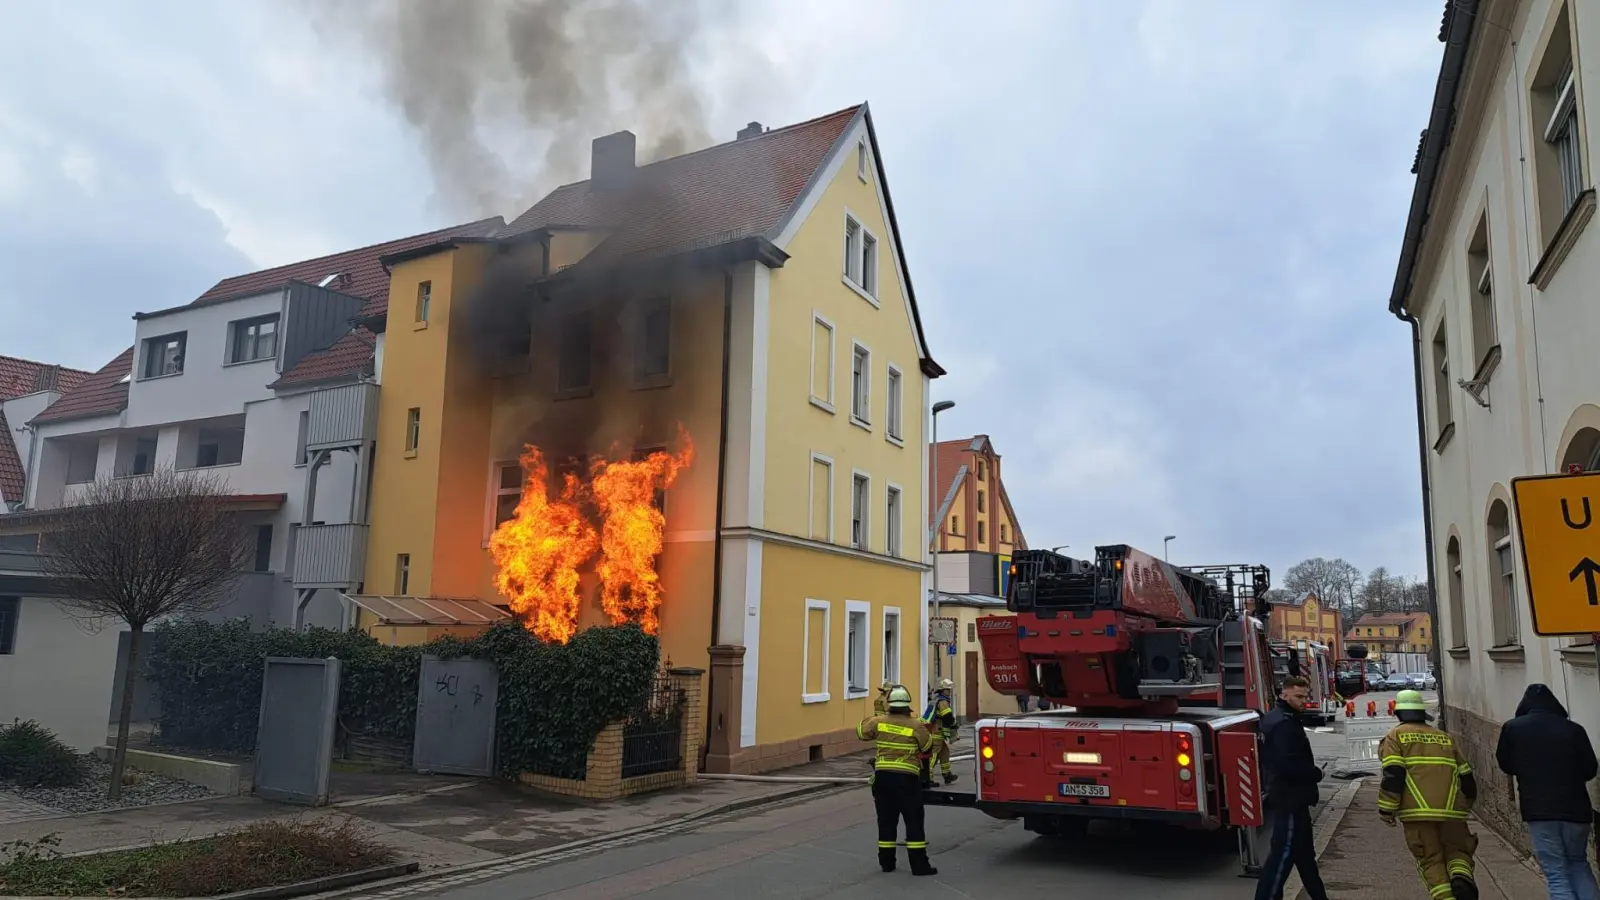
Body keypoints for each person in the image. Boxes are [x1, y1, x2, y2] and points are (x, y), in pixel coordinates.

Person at [1496, 683, 1599, 900]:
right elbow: (1590, 769)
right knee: (1579, 863)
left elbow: (1506, 764)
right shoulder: (1573, 729)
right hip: (1576, 810)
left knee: (1556, 872)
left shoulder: (1513, 728)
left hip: (1539, 810)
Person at [1378, 689, 1479, 900]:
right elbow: (1466, 776)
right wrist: (1465, 804)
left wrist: (1387, 809)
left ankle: (1446, 897)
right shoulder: (1445, 738)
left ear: (1398, 714)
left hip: (1418, 814)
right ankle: (1460, 877)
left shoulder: (1395, 737)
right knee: (1458, 852)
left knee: (1431, 860)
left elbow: (1394, 775)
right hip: (1452, 811)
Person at [1255, 676, 1330, 900]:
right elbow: (1288, 764)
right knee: (1282, 857)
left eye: (1305, 697)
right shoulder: (1284, 724)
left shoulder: (1278, 718)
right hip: (1290, 797)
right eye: (1298, 696)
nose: (1303, 701)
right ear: (1283, 694)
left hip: (1292, 797)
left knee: (1304, 856)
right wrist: (1317, 773)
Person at [857, 685, 938, 876]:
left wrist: (878, 709)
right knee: (914, 822)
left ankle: (887, 863)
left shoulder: (878, 722)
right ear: (907, 706)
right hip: (907, 781)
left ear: (890, 704)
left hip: (883, 779)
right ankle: (919, 866)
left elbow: (861, 732)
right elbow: (927, 747)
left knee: (886, 821)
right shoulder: (916, 725)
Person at [921, 679, 958, 786]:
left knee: (945, 753)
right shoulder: (943, 701)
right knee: (933, 756)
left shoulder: (938, 699)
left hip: (938, 732)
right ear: (943, 690)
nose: (949, 691)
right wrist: (954, 724)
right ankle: (928, 778)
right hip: (936, 732)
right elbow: (947, 716)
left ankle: (947, 775)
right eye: (948, 689)